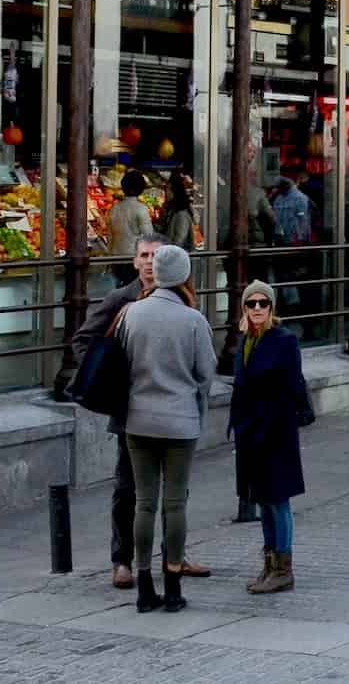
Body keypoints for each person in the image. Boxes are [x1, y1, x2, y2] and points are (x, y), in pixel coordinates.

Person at [54, 232, 211, 589]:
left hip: (165, 413)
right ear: (135, 260)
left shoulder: (183, 302)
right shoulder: (120, 300)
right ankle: (121, 561)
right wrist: (114, 377)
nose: (149, 263)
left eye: (156, 256)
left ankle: (175, 556)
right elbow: (83, 341)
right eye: (144, 255)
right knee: (129, 489)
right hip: (131, 411)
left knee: (174, 493)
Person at [120, 243, 217, 613]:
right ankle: (173, 583)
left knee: (144, 503)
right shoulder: (193, 320)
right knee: (174, 503)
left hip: (138, 417)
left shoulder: (132, 314)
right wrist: (195, 405)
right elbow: (205, 374)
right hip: (180, 421)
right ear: (185, 276)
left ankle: (144, 583)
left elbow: (124, 364)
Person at [229, 280, 313, 595]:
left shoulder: (284, 340)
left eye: (264, 303)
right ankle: (268, 565)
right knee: (263, 500)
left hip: (275, 433)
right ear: (245, 308)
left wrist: (279, 422)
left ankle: (283, 570)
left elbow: (293, 387)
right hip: (250, 433)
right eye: (252, 304)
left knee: (278, 501)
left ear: (272, 307)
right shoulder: (245, 340)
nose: (258, 309)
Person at [107, 170, 152, 261]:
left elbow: (110, 236)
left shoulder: (114, 208)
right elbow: (149, 236)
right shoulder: (141, 208)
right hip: (133, 258)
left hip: (115, 257)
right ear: (141, 189)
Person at [161, 175, 198, 251]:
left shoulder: (182, 214)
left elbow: (179, 240)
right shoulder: (173, 210)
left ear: (174, 192)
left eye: (167, 190)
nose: (166, 193)